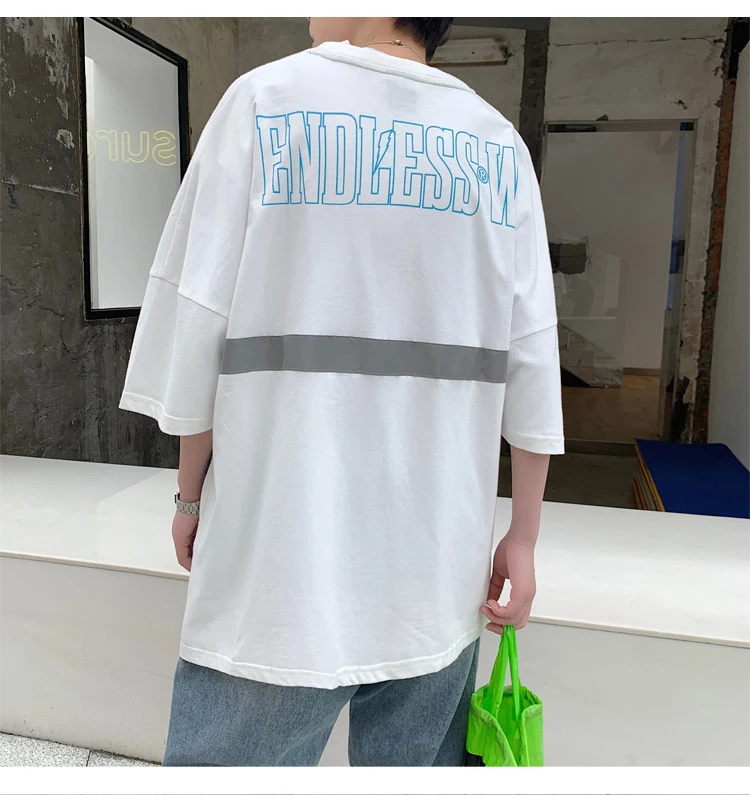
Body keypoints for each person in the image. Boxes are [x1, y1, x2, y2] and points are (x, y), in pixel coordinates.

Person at [119, 16, 564, 767]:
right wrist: (523, 534)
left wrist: (190, 498)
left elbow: (198, 324)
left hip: (277, 567)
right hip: (438, 573)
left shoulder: (264, 102)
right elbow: (533, 359)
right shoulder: (499, 146)